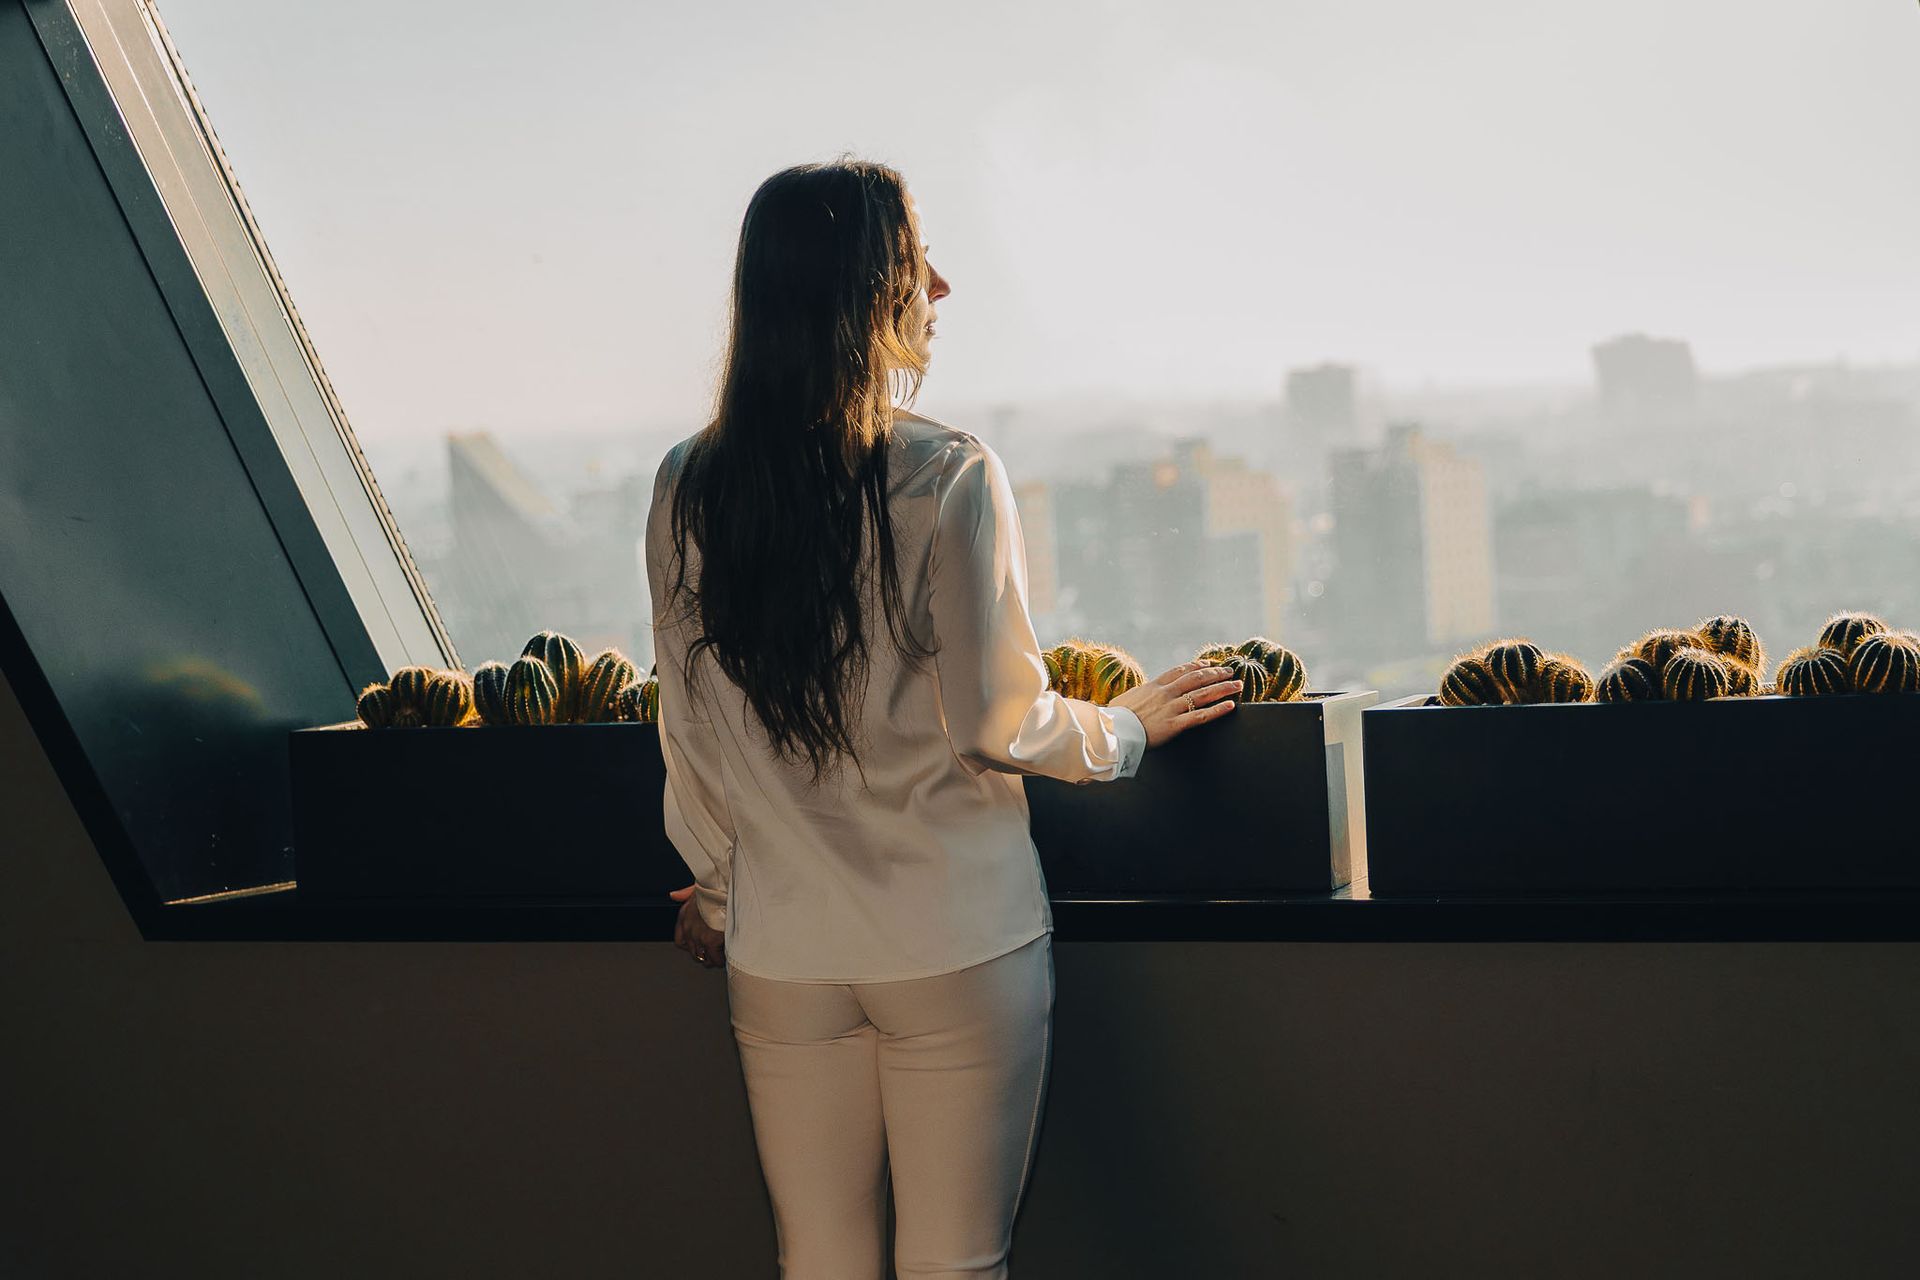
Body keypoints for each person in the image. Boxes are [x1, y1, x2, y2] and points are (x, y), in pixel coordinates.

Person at [645, 158, 1242, 1280]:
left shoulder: (688, 484)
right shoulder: (946, 475)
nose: (943, 287)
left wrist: (724, 893)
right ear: (870, 289)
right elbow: (995, 721)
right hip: (953, 940)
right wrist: (1126, 730)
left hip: (785, 953)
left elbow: (694, 729)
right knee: (957, 1264)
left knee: (816, 1260)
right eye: (918, 258)